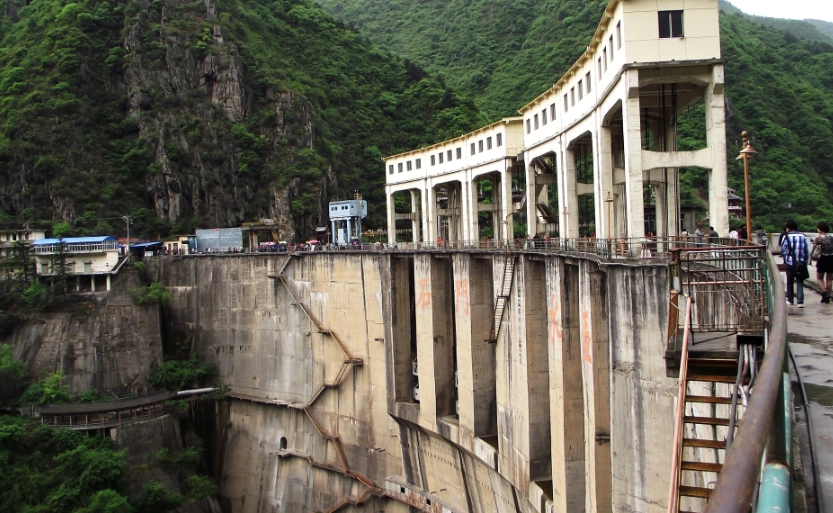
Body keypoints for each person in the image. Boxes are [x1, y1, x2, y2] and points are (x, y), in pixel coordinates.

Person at [781, 219, 810, 308]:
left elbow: (783, 250)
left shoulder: (786, 237)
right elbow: (806, 251)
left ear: (788, 228)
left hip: (790, 262)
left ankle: (790, 300)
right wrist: (805, 262)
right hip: (800, 263)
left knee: (790, 282)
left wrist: (786, 259)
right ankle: (800, 302)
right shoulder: (803, 236)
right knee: (800, 281)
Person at [814, 221, 833, 304]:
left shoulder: (818, 238)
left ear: (820, 229)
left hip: (822, 258)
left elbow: (815, 249)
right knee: (829, 278)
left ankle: (824, 293)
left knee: (819, 278)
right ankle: (827, 296)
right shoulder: (832, 237)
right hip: (831, 258)